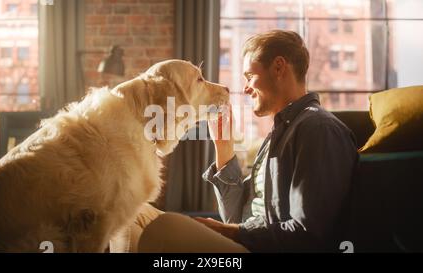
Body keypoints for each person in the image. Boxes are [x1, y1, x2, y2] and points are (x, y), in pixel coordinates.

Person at [110, 30, 358, 253]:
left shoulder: (317, 129)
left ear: (279, 68)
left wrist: (229, 232)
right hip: (248, 243)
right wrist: (223, 145)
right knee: (129, 214)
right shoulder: (279, 132)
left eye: (250, 76)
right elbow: (235, 216)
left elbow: (308, 235)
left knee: (165, 227)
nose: (246, 88)